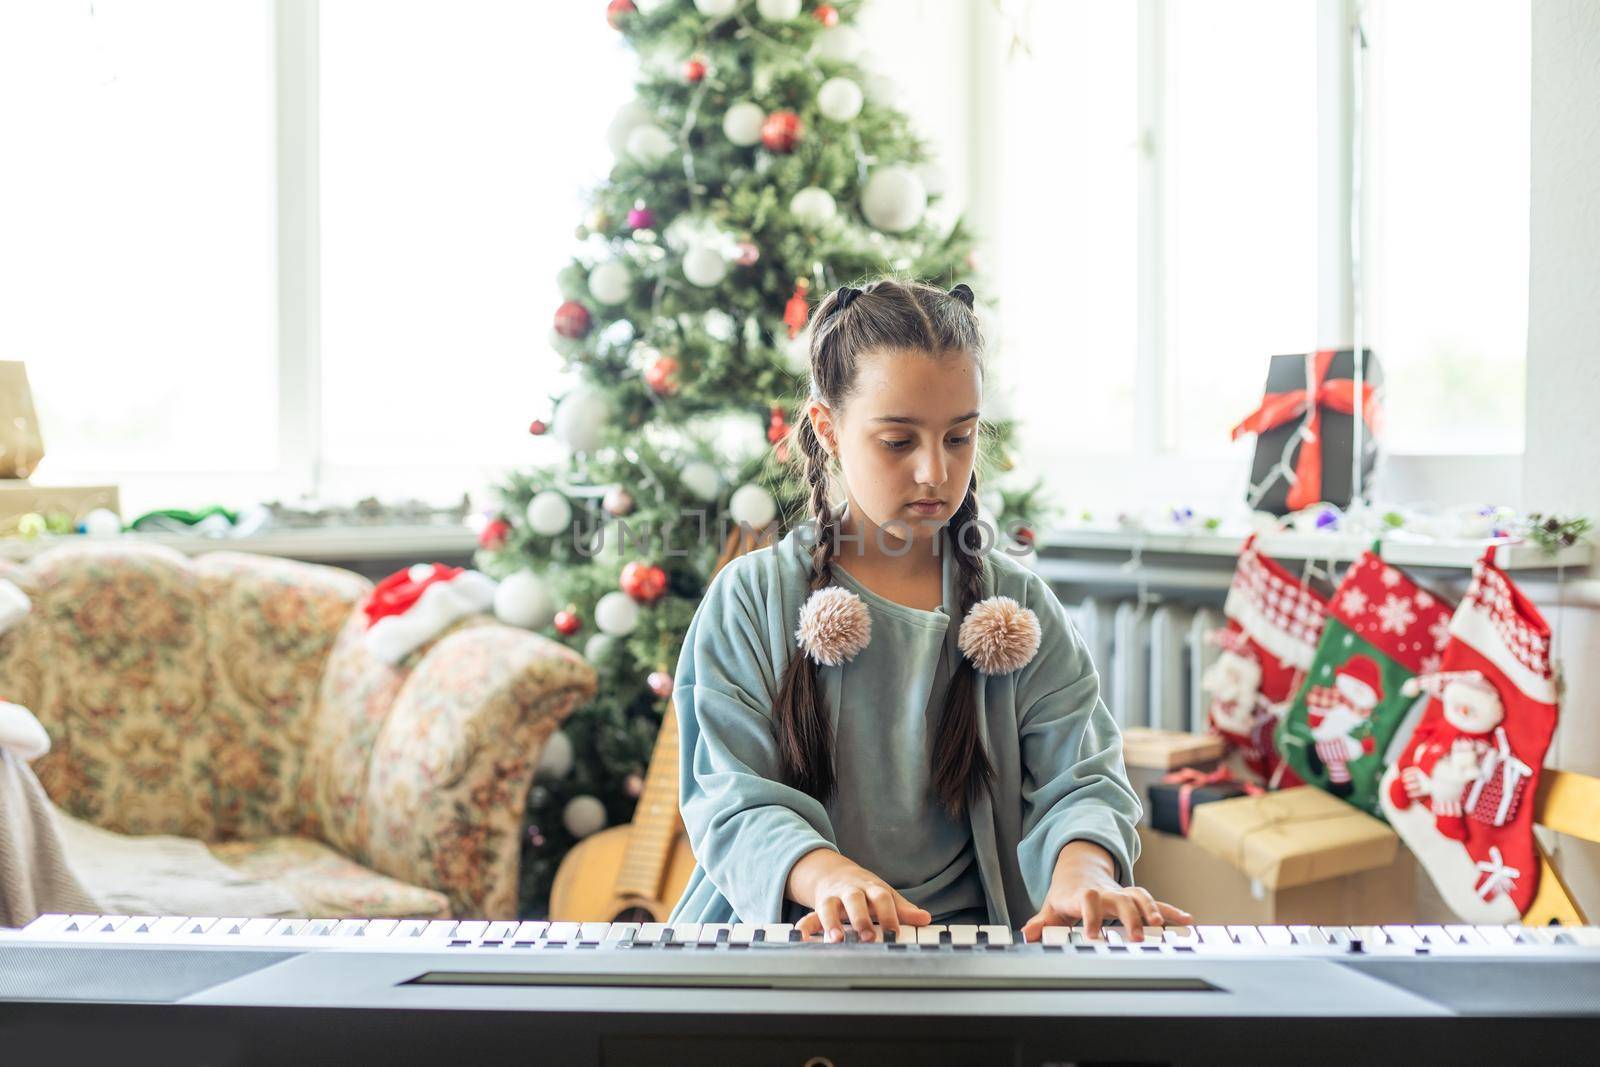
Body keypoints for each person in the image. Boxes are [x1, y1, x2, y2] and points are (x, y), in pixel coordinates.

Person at [667, 277, 1190, 943]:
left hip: (976, 949)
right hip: (781, 938)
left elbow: (1082, 778)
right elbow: (729, 797)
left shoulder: (1017, 605)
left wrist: (1084, 870)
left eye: (959, 437)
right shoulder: (751, 598)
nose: (934, 472)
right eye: (897, 441)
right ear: (828, 428)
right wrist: (827, 876)